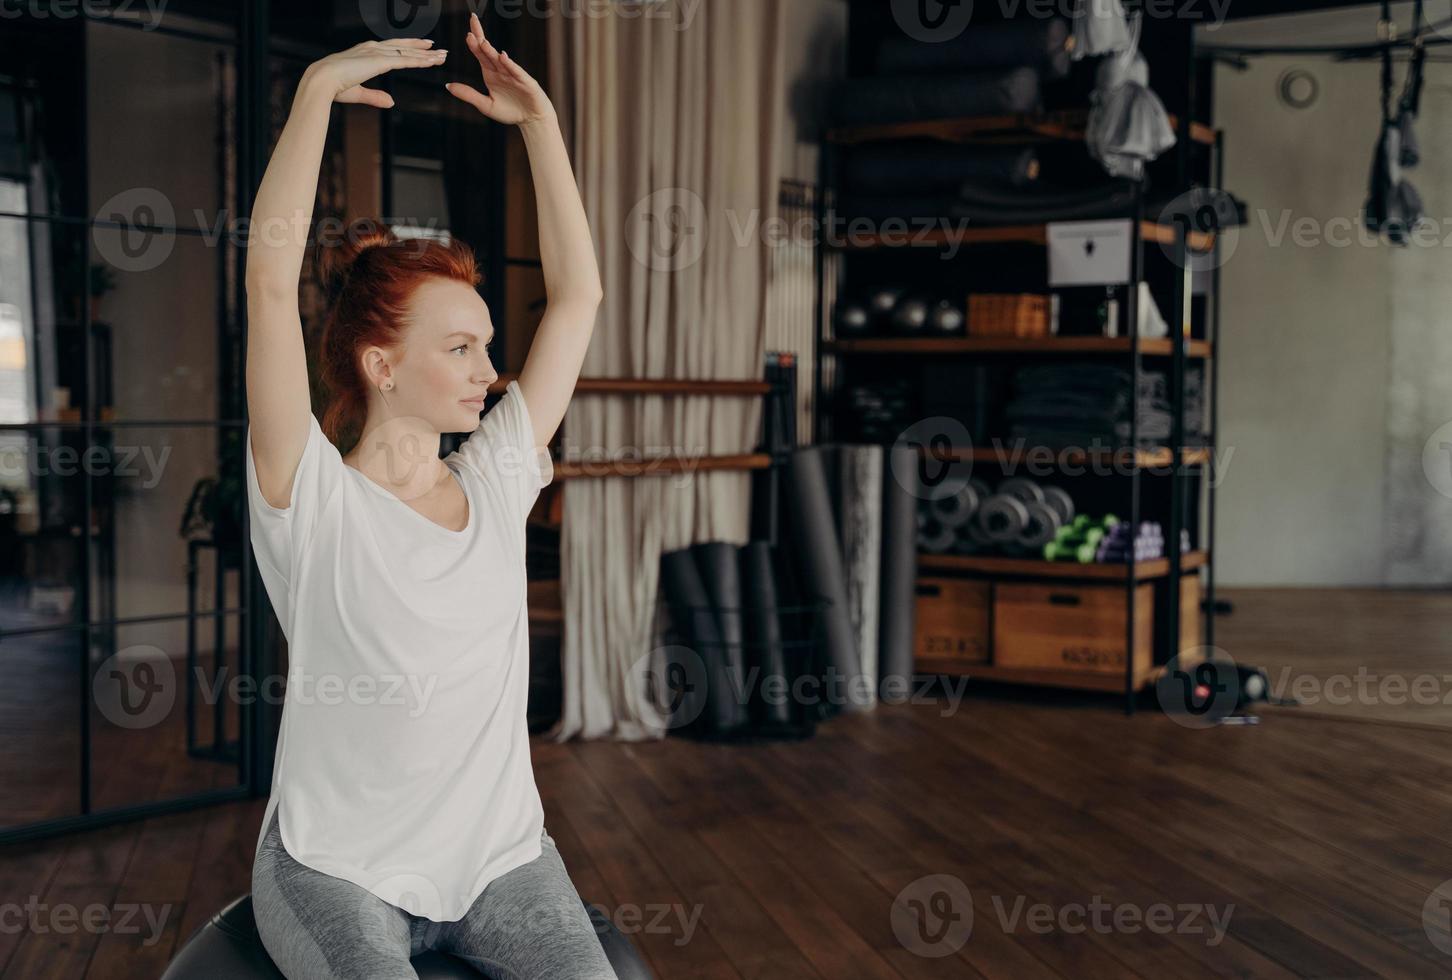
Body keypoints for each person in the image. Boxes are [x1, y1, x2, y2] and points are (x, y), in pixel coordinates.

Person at [243, 13, 609, 979]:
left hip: (499, 861)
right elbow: (269, 282)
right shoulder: (307, 495)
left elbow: (578, 301)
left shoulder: (494, 478)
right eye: (460, 348)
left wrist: (542, 127)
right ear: (381, 366)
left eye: (487, 344)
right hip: (337, 867)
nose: (490, 371)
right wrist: (316, 91)